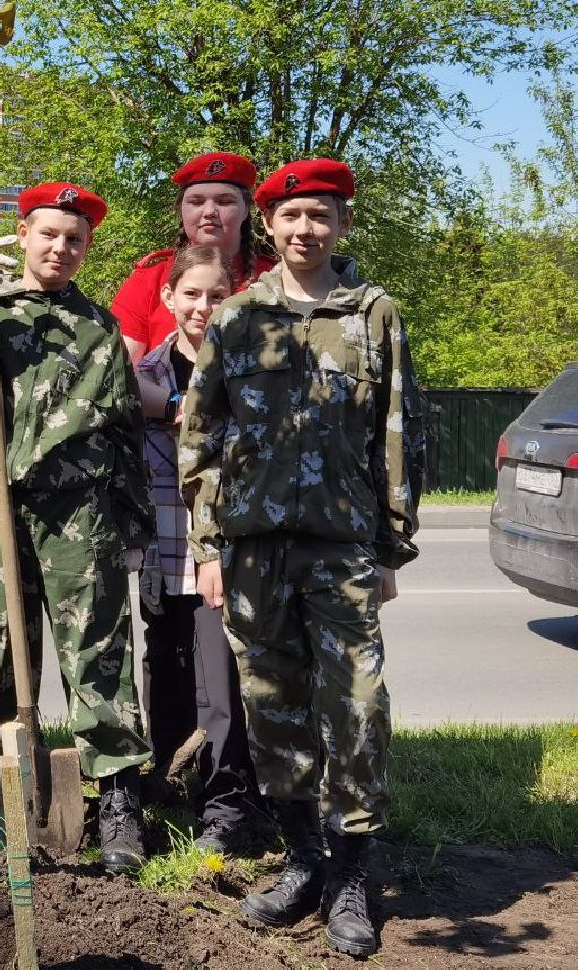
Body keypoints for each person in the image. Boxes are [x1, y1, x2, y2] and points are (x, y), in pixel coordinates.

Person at [180, 158, 425, 958]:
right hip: (252, 550)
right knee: (272, 708)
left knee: (355, 707)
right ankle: (305, 863)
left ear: (343, 225)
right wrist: (208, 546)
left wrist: (390, 545)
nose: (306, 230)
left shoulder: (374, 314)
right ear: (270, 227)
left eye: (321, 216)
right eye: (291, 217)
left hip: (341, 546)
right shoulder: (240, 317)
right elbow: (201, 438)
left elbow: (400, 435)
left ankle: (354, 874)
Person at [0, 182, 156, 874]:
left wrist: (134, 523)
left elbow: (123, 431)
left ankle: (117, 800)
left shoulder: (98, 328)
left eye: (75, 239)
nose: (61, 248)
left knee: (97, 654)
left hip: (79, 513)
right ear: (22, 234)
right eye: (48, 234)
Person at [133, 246, 262, 854]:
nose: (203, 307)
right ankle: (165, 780)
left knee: (220, 680)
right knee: (165, 670)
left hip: (222, 552)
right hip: (160, 548)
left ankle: (226, 804)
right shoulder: (144, 377)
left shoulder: (250, 373)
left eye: (216, 295)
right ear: (168, 299)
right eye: (191, 294)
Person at [110, 152, 277, 418]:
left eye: (224, 201)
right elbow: (118, 372)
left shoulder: (273, 279)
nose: (209, 212)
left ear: (246, 210)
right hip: (164, 441)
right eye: (196, 201)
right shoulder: (150, 279)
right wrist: (181, 406)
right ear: (181, 210)